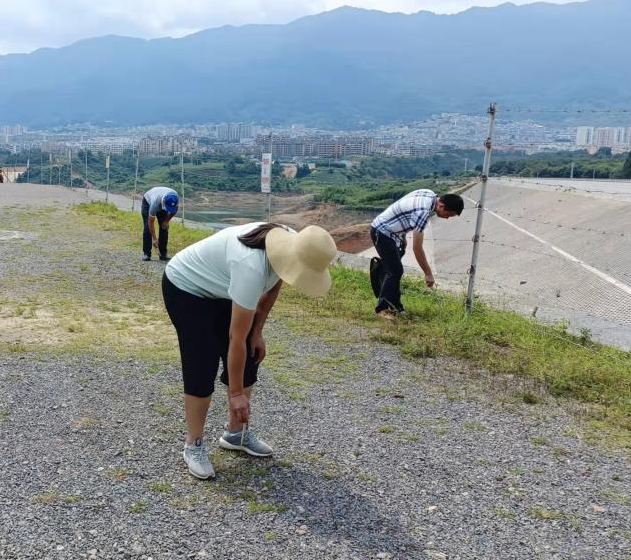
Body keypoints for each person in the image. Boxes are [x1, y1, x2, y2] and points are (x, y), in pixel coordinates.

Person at [162, 222, 337, 479]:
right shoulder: (250, 266)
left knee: (250, 354)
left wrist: (258, 331)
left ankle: (235, 434)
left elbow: (278, 281)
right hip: (186, 287)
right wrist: (235, 394)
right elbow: (236, 338)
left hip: (221, 286)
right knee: (202, 362)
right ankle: (194, 444)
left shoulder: (288, 245)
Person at [369, 190, 464, 319]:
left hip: (392, 233)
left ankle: (396, 307)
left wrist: (402, 237)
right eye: (448, 214)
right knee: (395, 271)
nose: (447, 218)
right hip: (382, 232)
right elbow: (417, 248)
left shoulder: (429, 194)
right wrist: (428, 273)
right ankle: (382, 309)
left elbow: (404, 211)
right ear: (441, 206)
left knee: (393, 271)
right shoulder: (423, 213)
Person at [141, 186, 179, 261]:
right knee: (147, 227)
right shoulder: (155, 204)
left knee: (164, 227)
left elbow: (174, 210)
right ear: (164, 201)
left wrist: (166, 221)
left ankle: (163, 254)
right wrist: (154, 238)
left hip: (162, 201)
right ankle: (147, 254)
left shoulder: (175, 199)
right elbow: (151, 222)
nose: (168, 209)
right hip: (147, 202)